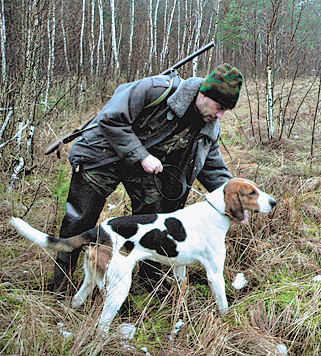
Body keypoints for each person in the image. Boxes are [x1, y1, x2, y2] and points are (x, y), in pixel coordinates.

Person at [50, 63, 243, 293]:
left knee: (154, 219)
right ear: (203, 94)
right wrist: (141, 155)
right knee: (80, 220)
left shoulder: (209, 128)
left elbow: (214, 170)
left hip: (141, 169)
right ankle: (61, 288)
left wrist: (238, 200)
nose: (220, 115)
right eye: (219, 107)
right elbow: (111, 119)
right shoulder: (155, 89)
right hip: (101, 156)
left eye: (225, 111)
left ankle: (148, 285)